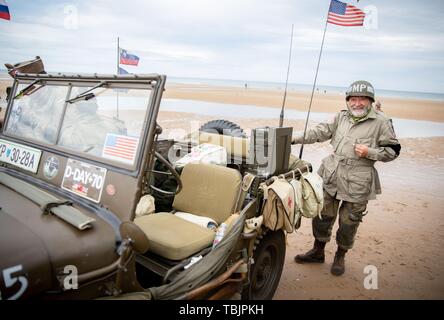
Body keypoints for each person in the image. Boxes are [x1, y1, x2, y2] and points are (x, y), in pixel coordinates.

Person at [291, 80, 401, 276]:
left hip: (359, 179)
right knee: (322, 215)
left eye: (363, 99)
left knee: (349, 222)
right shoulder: (340, 117)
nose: (357, 103)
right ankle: (318, 252)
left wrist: (370, 152)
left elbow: (393, 151)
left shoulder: (381, 122)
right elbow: (319, 132)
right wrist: (293, 138)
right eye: (353, 99)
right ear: (348, 101)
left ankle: (340, 256)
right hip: (332, 173)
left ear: (370, 101)